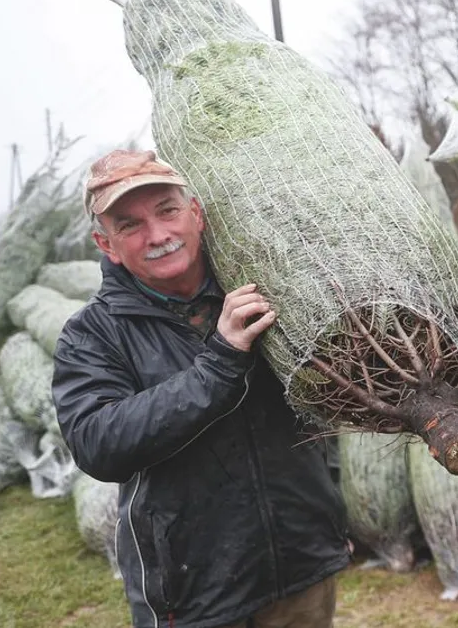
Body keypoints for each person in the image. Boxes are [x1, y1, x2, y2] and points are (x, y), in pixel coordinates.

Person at [52, 150, 350, 628]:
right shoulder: (92, 334)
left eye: (167, 210)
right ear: (105, 244)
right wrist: (222, 360)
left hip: (303, 569)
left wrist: (330, 512)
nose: (158, 236)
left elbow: (319, 409)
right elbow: (97, 444)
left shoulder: (271, 292)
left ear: (196, 214)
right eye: (129, 225)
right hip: (192, 593)